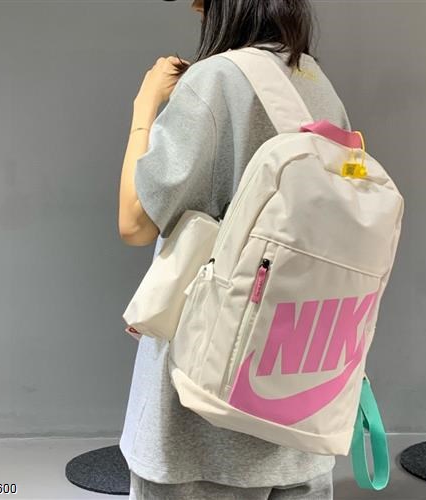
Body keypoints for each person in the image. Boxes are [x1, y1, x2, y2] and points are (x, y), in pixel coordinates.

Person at [118, 1, 352, 498]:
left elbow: (134, 222)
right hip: (298, 412)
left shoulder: (213, 80)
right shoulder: (314, 80)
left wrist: (145, 105)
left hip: (201, 427)